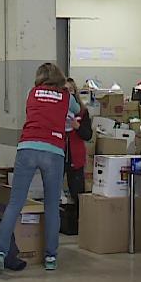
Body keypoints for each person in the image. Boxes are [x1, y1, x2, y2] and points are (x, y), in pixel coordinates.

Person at [0, 63, 79, 273]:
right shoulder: (66, 97)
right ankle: (50, 257)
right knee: (51, 206)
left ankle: (0, 252)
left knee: (15, 204)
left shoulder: (32, 93)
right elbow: (77, 111)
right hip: (54, 150)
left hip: (28, 147)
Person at [63, 78, 93, 207]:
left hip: (76, 157)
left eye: (71, 90)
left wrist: (77, 127)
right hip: (60, 155)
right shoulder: (57, 111)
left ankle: (78, 221)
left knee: (77, 193)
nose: (68, 94)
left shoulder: (82, 111)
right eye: (65, 91)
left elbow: (88, 135)